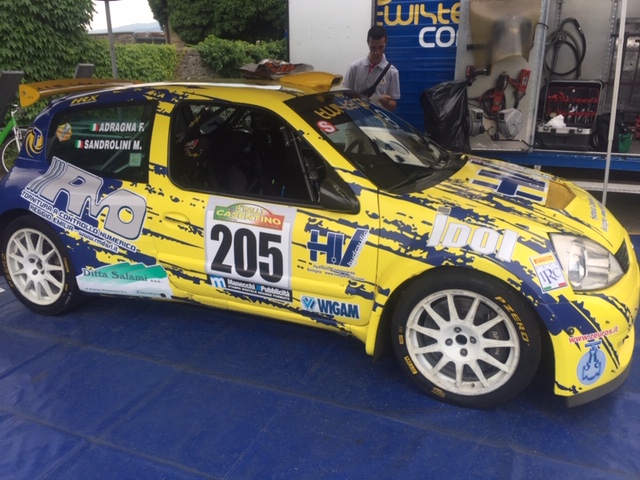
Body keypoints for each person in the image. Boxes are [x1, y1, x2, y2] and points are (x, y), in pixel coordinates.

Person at [343, 25, 400, 111]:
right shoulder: (354, 67)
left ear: (386, 43)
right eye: (373, 47)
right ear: (367, 43)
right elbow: (344, 95)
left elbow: (393, 105)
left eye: (380, 47)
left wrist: (385, 102)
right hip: (356, 116)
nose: (376, 52)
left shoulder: (392, 72)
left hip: (379, 118)